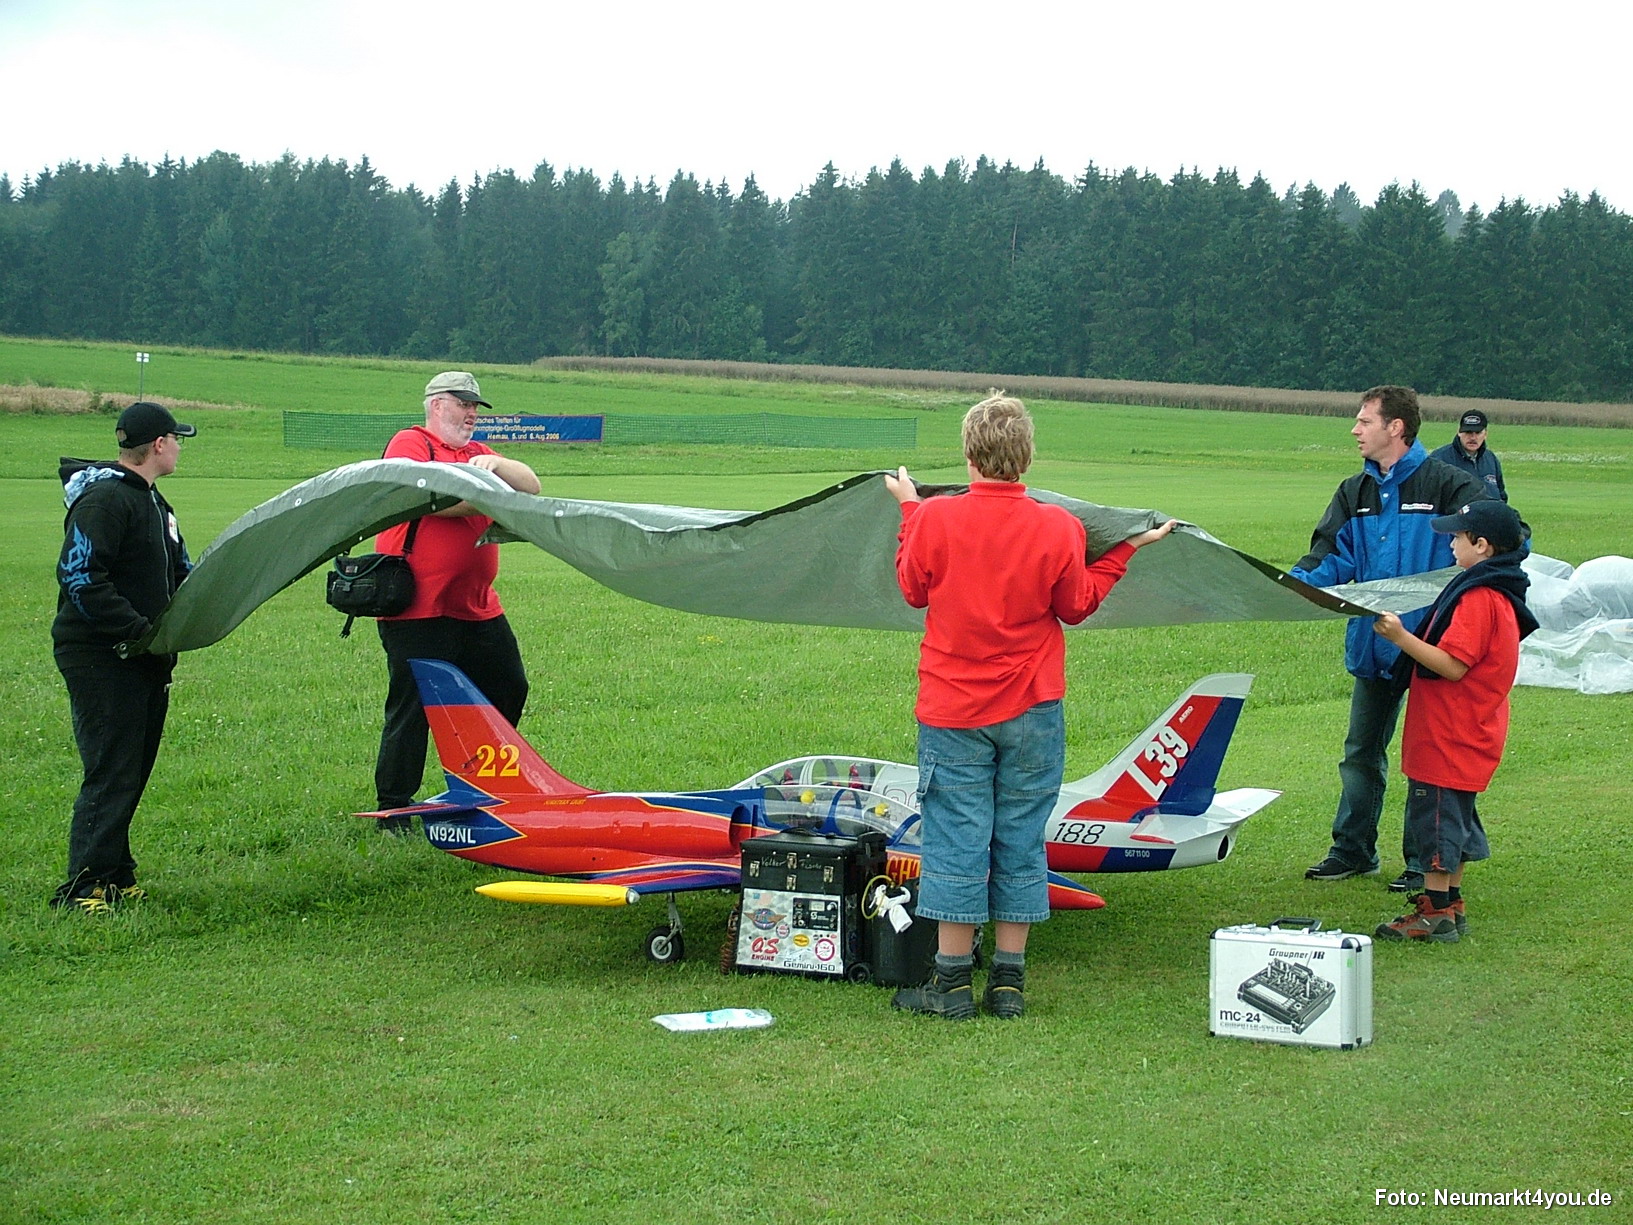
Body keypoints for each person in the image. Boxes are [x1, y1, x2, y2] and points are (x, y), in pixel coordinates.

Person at [883, 392, 1176, 1019]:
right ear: (1028, 457)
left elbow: (912, 589)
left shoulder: (934, 519)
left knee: (957, 836)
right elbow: (1076, 605)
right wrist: (1126, 549)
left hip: (953, 711)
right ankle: (1009, 984)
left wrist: (909, 510)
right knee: (1020, 836)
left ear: (968, 454)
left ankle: (950, 983)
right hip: (1034, 709)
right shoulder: (1058, 527)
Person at [1292, 385, 1492, 892]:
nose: (1355, 430)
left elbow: (1505, 537)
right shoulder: (1353, 492)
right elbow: (1328, 558)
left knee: (1427, 761)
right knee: (1361, 752)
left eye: (1364, 421)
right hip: (1374, 644)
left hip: (1431, 649)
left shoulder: (1447, 483)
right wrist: (1289, 587)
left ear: (1395, 428)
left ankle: (1425, 862)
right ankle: (1352, 851)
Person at [374, 372, 542, 832]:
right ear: (435, 404)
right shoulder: (410, 443)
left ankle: (481, 786)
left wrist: (499, 469)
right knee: (413, 707)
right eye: (463, 404)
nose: (471, 414)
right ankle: (394, 808)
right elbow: (426, 500)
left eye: (475, 406)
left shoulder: (478, 454)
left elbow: (531, 486)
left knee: (509, 687)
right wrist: (490, 495)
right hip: (418, 607)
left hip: (477, 605)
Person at [51, 402, 196, 912]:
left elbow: (181, 575)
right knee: (111, 766)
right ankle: (83, 884)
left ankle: (115, 872)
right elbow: (80, 576)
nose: (179, 446)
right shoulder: (105, 501)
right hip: (100, 654)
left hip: (146, 656)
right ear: (158, 445)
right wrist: (138, 633)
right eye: (177, 439)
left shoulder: (157, 505)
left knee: (133, 766)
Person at [1371, 499, 1536, 941]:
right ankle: (1452, 902)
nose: (1450, 544)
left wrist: (1400, 636)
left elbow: (1453, 665)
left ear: (1481, 546)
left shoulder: (1479, 598)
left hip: (1449, 734)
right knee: (1456, 820)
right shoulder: (1498, 590)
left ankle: (1435, 914)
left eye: (1457, 537)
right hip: (1471, 730)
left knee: (1436, 823)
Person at [1430, 409, 1507, 502]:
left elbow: (1501, 495)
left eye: (1478, 433)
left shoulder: (1491, 459)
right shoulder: (1439, 459)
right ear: (1459, 432)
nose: (1473, 437)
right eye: (1468, 432)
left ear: (1485, 434)